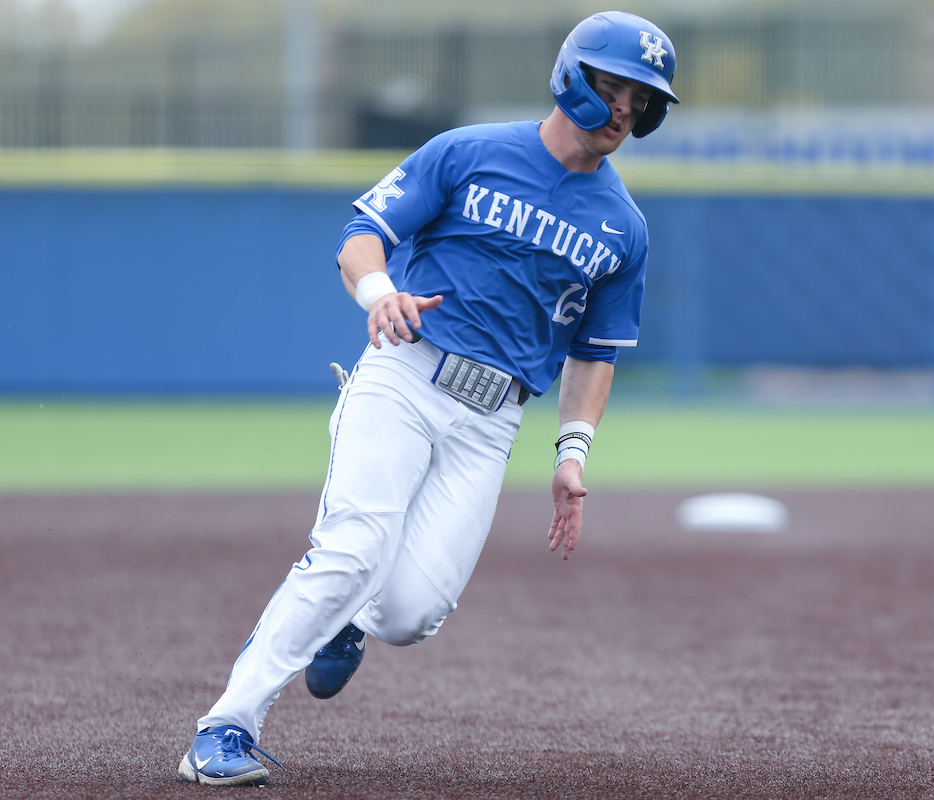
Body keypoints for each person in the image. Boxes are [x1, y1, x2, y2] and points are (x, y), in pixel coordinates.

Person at [176, 10, 679, 787]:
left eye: (641, 99)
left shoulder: (624, 227)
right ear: (571, 76)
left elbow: (594, 353)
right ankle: (225, 729)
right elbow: (360, 237)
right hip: (405, 374)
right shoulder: (469, 152)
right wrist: (379, 293)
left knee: (411, 613)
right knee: (352, 549)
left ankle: (350, 621)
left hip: (492, 419)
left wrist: (572, 453)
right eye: (615, 87)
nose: (625, 109)